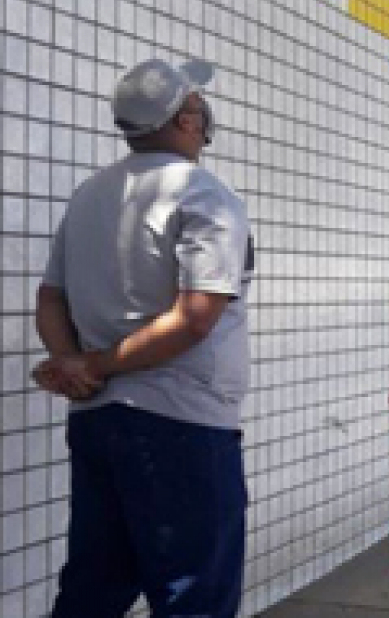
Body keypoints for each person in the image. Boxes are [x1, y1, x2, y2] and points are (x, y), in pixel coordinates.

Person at [33, 58, 254, 617]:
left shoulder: (89, 196)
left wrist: (71, 363)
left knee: (91, 589)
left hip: (98, 422)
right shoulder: (204, 193)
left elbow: (50, 298)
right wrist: (96, 364)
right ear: (184, 119)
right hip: (183, 426)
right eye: (200, 107)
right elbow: (196, 315)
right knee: (194, 595)